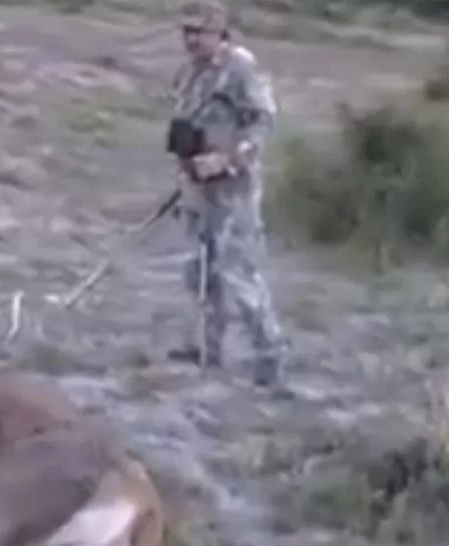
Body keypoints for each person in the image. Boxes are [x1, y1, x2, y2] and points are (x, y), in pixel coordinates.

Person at [165, 0, 287, 387]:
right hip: (196, 186)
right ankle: (208, 348)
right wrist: (186, 168)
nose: (191, 39)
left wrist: (229, 159)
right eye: (186, 31)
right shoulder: (190, 71)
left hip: (234, 189)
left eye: (199, 31)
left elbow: (263, 121)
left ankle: (268, 355)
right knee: (199, 270)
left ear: (220, 33)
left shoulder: (240, 69)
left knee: (239, 272)